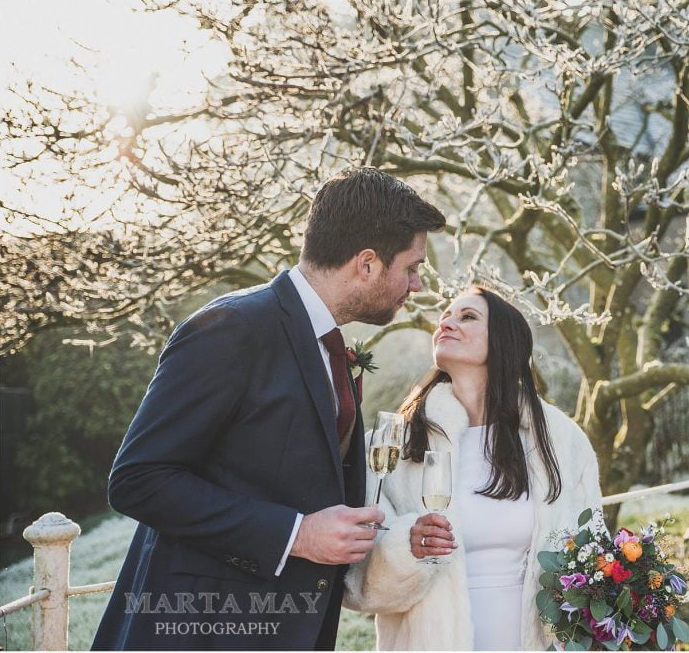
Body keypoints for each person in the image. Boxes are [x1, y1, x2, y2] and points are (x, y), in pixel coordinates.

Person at [92, 169, 446, 650]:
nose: (418, 284)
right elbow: (138, 479)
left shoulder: (329, 345)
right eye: (411, 267)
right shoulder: (232, 328)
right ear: (366, 263)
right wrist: (296, 535)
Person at [343, 287, 604, 650]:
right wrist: (408, 548)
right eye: (445, 316)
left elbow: (594, 559)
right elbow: (359, 590)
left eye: (467, 316)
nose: (447, 323)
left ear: (503, 341)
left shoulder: (560, 440)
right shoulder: (393, 446)